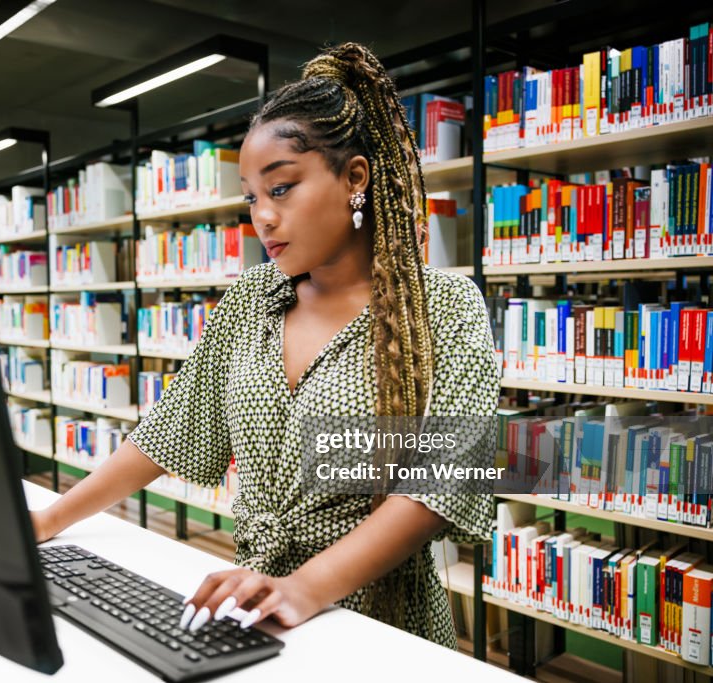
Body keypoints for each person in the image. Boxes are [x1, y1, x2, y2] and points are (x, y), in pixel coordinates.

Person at [31, 42, 500, 648]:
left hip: (377, 626)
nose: (263, 217)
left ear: (355, 177)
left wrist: (305, 587)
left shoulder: (444, 307)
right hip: (255, 608)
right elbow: (171, 430)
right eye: (251, 197)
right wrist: (50, 518)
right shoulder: (252, 298)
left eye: (281, 189)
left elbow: (438, 487)